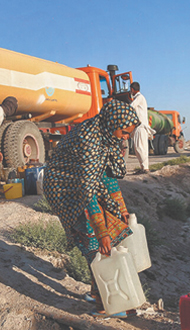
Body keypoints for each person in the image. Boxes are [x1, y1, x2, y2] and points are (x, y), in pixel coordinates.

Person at [43, 100, 140, 318]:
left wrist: (121, 208)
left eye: (129, 133)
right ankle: (103, 303)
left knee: (105, 238)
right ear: (113, 123)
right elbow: (87, 192)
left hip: (86, 184)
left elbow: (107, 176)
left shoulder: (107, 136)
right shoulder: (89, 139)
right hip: (64, 187)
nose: (126, 137)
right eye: (124, 132)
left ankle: (98, 291)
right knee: (93, 242)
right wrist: (101, 231)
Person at [129, 82, 155, 174]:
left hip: (140, 126)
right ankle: (143, 167)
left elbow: (131, 107)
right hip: (140, 127)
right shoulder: (139, 98)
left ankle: (145, 168)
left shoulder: (139, 98)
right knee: (140, 148)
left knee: (139, 147)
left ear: (132, 89)